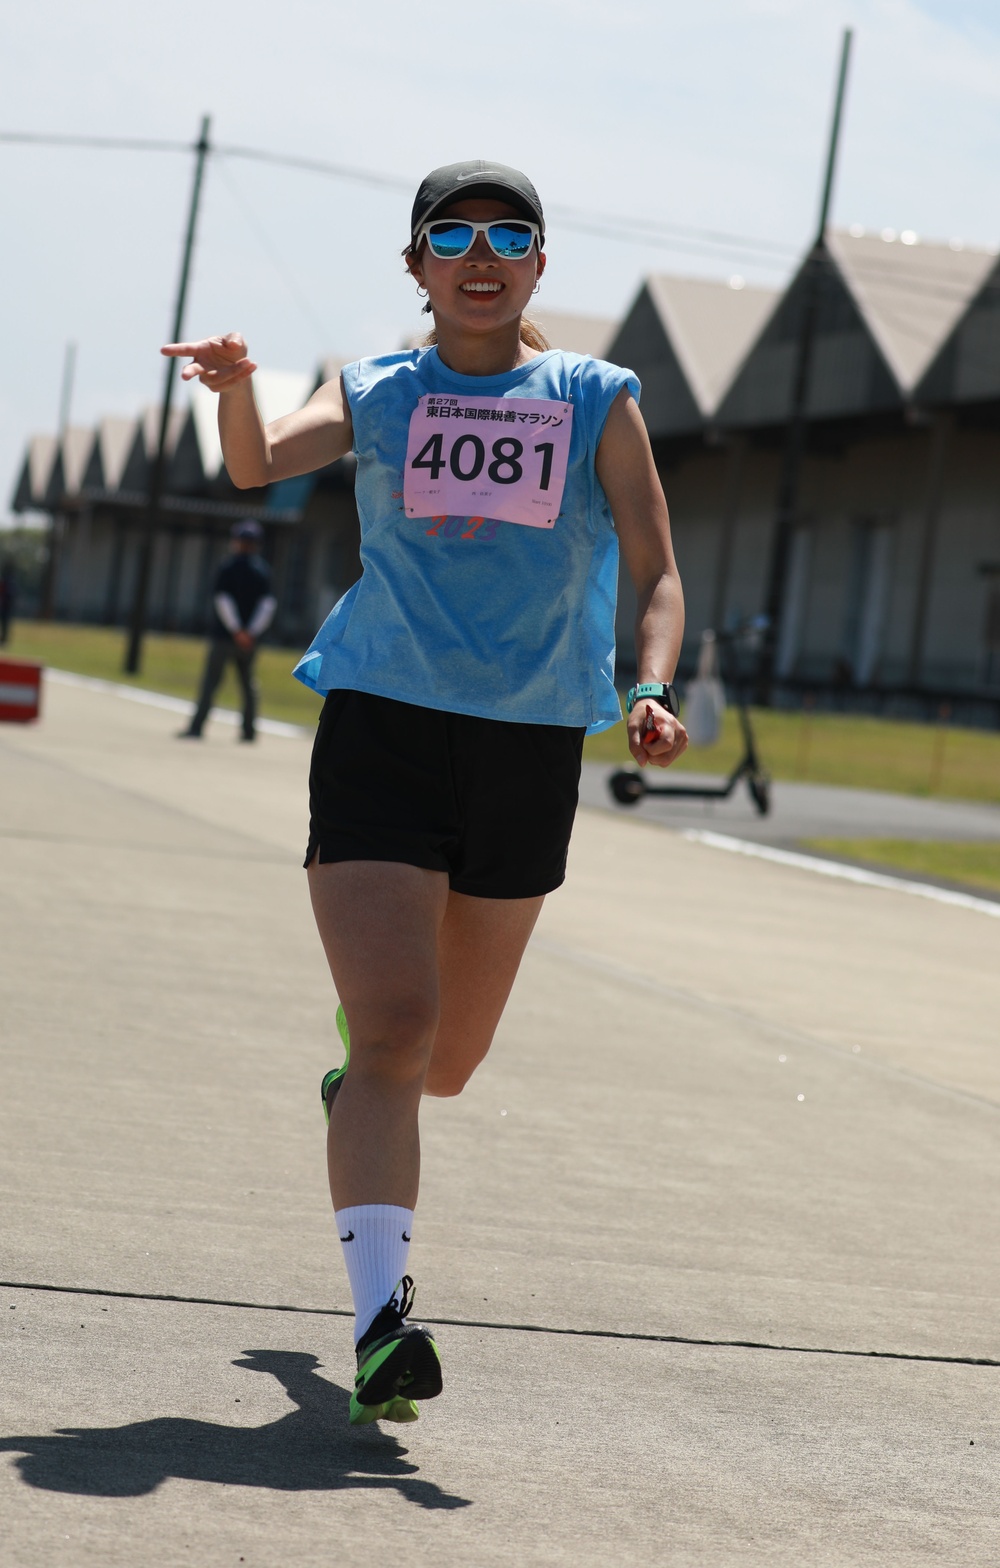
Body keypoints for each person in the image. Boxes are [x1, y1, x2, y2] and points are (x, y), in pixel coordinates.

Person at [163, 159, 688, 1428]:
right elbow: (253, 467)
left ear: (540, 265)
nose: (481, 253)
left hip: (526, 749)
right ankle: (380, 1323)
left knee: (438, 1063)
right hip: (382, 726)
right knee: (398, 1022)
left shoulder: (594, 397)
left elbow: (658, 570)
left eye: (509, 234)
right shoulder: (382, 389)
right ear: (416, 268)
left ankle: (361, 1081)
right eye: (451, 236)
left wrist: (650, 687)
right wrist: (238, 392)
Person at [179, 519, 276, 741]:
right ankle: (249, 731)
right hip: (250, 640)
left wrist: (236, 630)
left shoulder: (228, 567)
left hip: (225, 636)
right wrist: (250, 632)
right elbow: (267, 606)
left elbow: (223, 601)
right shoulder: (262, 571)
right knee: (248, 684)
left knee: (211, 682)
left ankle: (197, 727)